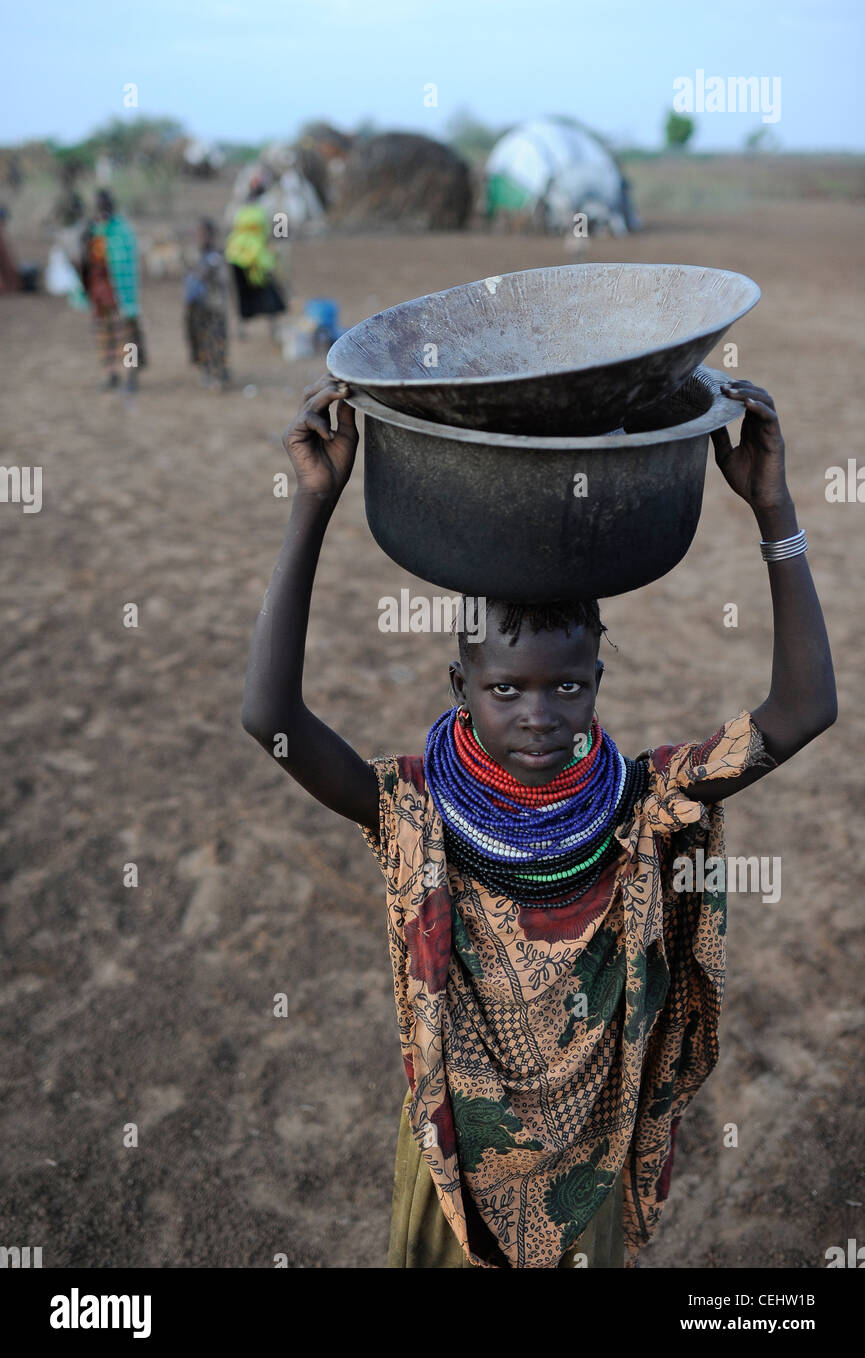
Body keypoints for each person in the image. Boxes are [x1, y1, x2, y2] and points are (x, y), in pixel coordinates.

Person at [241, 374, 836, 1269]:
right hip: (456, 1166)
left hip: (582, 1169)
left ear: (597, 683)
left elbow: (801, 710)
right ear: (460, 688)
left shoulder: (640, 804)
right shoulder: (416, 812)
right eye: (504, 689)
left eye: (565, 685)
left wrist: (772, 506)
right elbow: (270, 719)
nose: (537, 715)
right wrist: (312, 507)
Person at [78, 189, 145, 392]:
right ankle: (110, 374)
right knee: (104, 336)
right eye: (98, 206)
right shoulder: (92, 231)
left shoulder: (121, 230)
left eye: (105, 205)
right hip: (100, 294)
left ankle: (132, 376)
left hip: (121, 293)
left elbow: (126, 263)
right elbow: (85, 262)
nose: (102, 210)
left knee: (128, 337)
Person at [224, 177, 287, 341]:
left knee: (246, 292)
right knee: (263, 291)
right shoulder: (270, 205)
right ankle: (270, 328)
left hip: (239, 254)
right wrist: (278, 245)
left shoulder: (238, 206)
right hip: (254, 256)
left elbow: (229, 225)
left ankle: (247, 328)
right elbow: (281, 229)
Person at [184, 218, 230, 390]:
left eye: (202, 233)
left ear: (211, 235)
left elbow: (222, 281)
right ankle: (206, 371)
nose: (199, 237)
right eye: (197, 234)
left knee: (217, 341)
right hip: (196, 307)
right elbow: (188, 279)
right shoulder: (193, 254)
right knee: (199, 341)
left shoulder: (217, 256)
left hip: (214, 307)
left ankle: (219, 374)